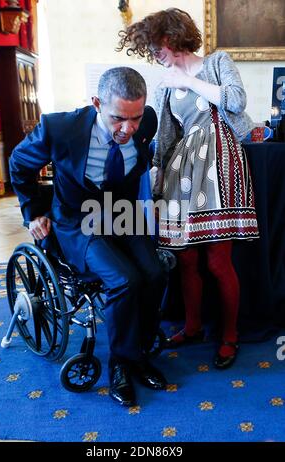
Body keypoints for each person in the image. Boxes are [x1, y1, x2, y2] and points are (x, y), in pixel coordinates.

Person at [9, 67, 167, 407]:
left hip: (120, 214)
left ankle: (140, 352)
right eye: (118, 119)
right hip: (77, 220)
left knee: (156, 273)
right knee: (124, 280)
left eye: (135, 118)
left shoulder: (146, 122)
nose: (128, 129)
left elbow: (137, 160)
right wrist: (34, 213)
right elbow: (19, 163)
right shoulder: (60, 128)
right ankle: (122, 365)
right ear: (97, 103)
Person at [117, 8, 259, 369]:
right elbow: (167, 134)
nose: (154, 53)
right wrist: (157, 169)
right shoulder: (165, 81)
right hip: (183, 169)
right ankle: (193, 325)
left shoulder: (216, 62)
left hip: (220, 162)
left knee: (217, 259)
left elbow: (237, 101)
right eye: (149, 49)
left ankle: (229, 335)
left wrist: (189, 80)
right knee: (185, 257)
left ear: (172, 36)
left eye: (155, 45)